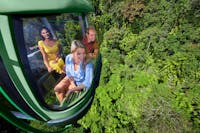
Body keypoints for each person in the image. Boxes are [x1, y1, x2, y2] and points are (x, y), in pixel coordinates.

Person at [54, 40, 93, 106]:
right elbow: (69, 73)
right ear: (72, 53)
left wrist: (72, 89)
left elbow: (88, 82)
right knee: (57, 89)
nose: (82, 56)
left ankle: (68, 105)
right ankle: (63, 107)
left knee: (67, 90)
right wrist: (72, 83)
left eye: (83, 53)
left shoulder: (87, 63)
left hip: (80, 83)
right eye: (78, 54)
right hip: (71, 79)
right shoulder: (68, 58)